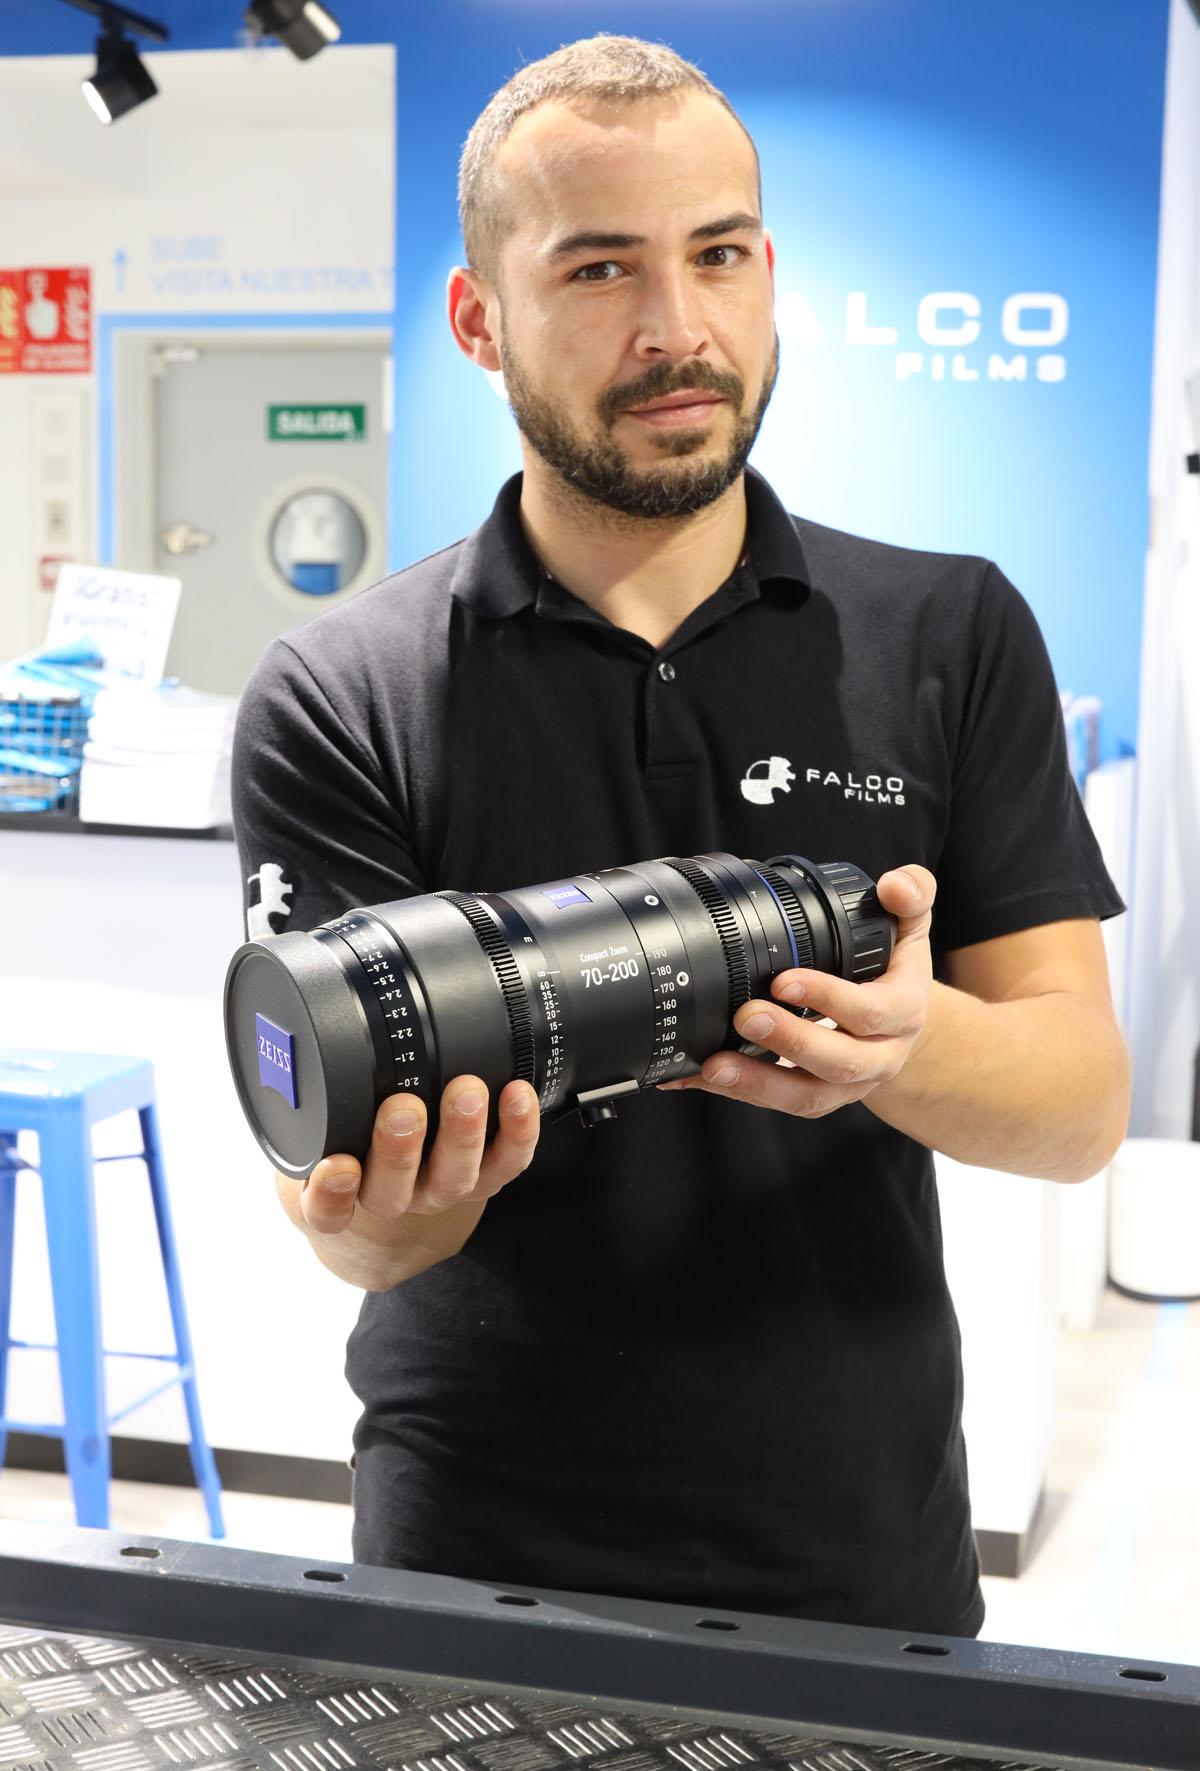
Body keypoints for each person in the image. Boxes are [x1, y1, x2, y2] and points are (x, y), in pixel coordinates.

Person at [232, 35, 1129, 1637]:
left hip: (859, 1543)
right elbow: (355, 1234)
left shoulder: (949, 631)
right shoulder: (343, 689)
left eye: (718, 255)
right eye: (599, 270)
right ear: (480, 320)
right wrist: (399, 1208)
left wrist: (899, 1046)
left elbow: (1078, 1108)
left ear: (769, 274)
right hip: (471, 1547)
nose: (678, 329)